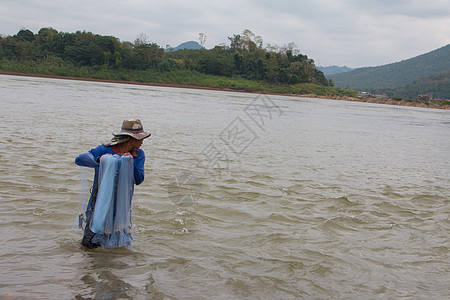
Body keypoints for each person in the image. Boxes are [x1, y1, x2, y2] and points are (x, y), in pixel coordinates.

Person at [75, 118, 151, 249]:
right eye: (140, 138)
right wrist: (102, 160)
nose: (142, 141)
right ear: (130, 139)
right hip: (98, 206)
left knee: (116, 249)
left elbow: (139, 179)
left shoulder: (138, 154)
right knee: (88, 247)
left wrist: (130, 161)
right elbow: (80, 159)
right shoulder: (105, 150)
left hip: (120, 208)